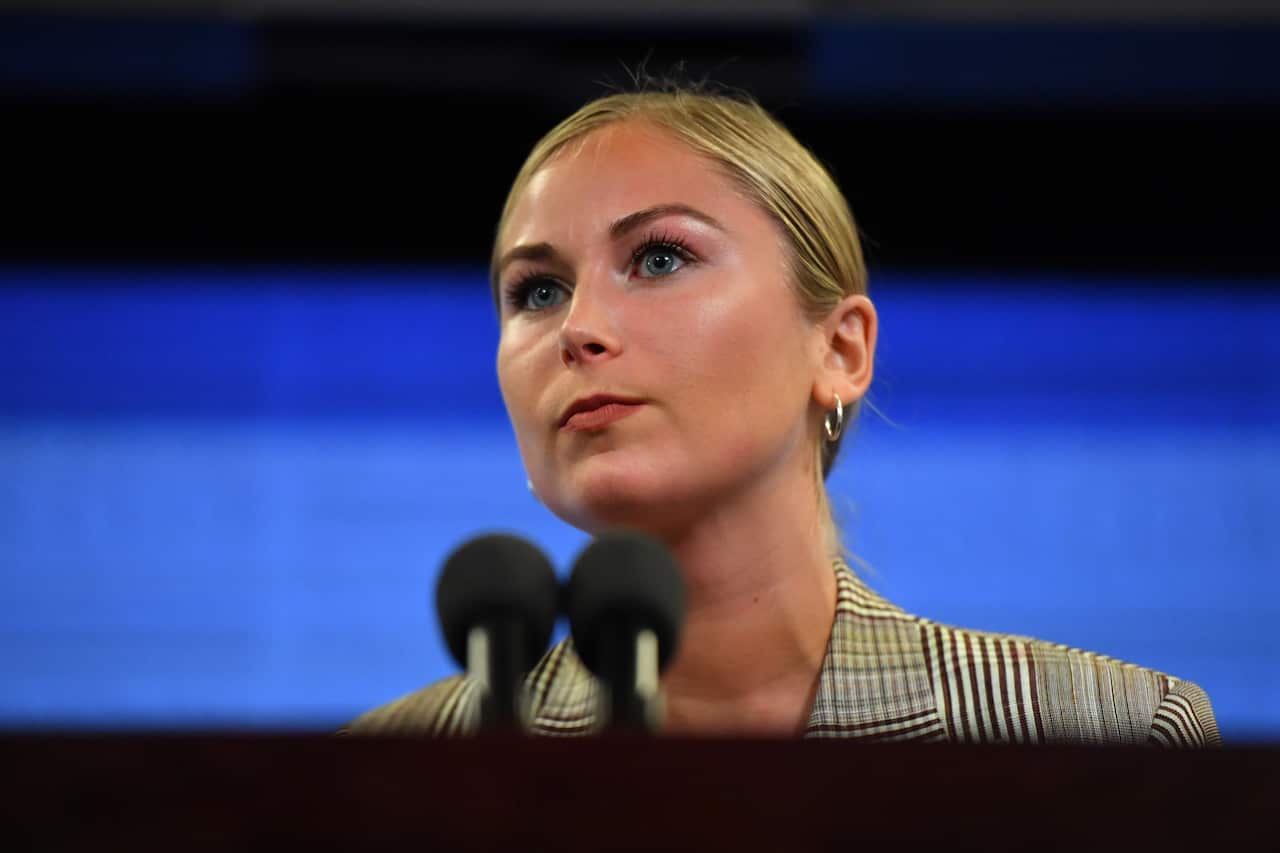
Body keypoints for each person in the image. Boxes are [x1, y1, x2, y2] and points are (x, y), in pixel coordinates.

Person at [344, 83, 1220, 745]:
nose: (578, 329)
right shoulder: (386, 767)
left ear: (839, 351)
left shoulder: (1102, 735)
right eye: (535, 290)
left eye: (657, 258)